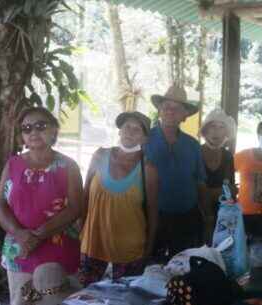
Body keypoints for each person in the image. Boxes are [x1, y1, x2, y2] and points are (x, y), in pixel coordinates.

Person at [0, 107, 83, 305]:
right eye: (27, 128)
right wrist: (19, 233)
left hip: (57, 249)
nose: (33, 132)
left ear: (54, 130)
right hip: (19, 249)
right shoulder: (13, 164)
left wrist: (38, 235)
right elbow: (0, 204)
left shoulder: (68, 166)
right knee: (20, 301)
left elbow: (76, 207)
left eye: (40, 126)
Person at [79, 111, 159, 286]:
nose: (130, 132)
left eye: (137, 129)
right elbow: (84, 196)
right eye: (126, 127)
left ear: (145, 138)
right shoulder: (100, 155)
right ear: (119, 131)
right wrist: (81, 231)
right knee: (88, 297)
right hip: (93, 244)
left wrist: (148, 251)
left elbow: (153, 214)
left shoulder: (148, 169)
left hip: (129, 252)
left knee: (123, 299)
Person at [144, 85, 208, 262]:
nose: (171, 112)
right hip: (150, 215)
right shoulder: (145, 139)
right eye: (166, 107)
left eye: (177, 108)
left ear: (184, 115)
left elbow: (200, 182)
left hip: (186, 217)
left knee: (182, 267)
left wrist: (207, 216)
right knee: (149, 266)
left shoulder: (193, 145)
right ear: (159, 111)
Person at [199, 110, 237, 241]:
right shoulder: (196, 152)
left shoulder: (227, 156)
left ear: (226, 133)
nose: (216, 132)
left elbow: (231, 190)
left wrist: (210, 192)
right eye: (213, 126)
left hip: (221, 216)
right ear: (205, 130)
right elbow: (194, 190)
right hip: (197, 214)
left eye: (221, 127)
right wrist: (219, 192)